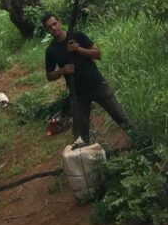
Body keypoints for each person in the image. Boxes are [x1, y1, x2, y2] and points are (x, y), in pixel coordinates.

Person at [42, 12, 129, 144]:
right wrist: (62, 70)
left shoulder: (77, 36)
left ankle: (144, 144)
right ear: (47, 30)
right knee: (80, 135)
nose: (53, 28)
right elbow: (49, 76)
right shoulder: (51, 50)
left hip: (97, 84)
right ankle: (85, 159)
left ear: (59, 22)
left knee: (121, 117)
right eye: (49, 27)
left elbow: (97, 54)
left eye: (54, 24)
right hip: (77, 94)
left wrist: (78, 49)